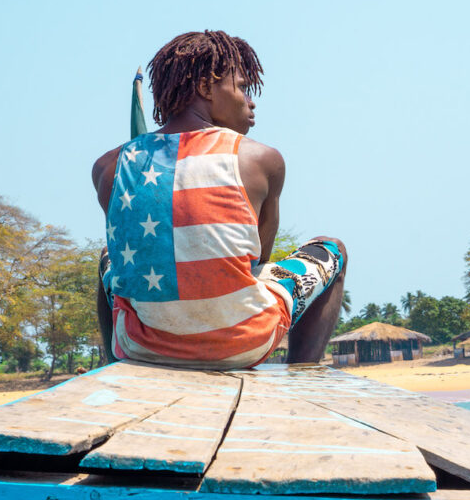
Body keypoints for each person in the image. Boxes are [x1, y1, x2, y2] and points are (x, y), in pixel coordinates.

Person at [91, 31, 347, 369]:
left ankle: (114, 364)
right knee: (332, 249)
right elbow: (258, 261)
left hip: (141, 348)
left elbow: (135, 259)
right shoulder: (261, 160)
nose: (249, 101)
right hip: (242, 345)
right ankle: (303, 373)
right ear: (205, 89)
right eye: (241, 87)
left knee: (110, 258)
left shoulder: (109, 166)